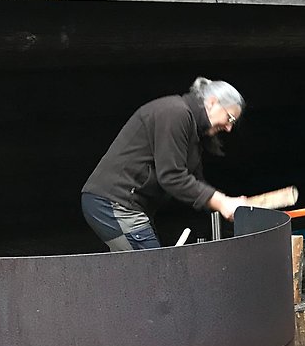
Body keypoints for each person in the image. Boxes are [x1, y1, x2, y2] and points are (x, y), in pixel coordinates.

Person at [82, 76, 247, 251]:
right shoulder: (175, 113)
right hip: (113, 203)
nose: (229, 128)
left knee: (141, 272)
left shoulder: (192, 129)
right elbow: (172, 177)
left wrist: (229, 203)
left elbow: (194, 182)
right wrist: (221, 202)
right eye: (230, 118)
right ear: (212, 102)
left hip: (129, 206)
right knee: (154, 271)